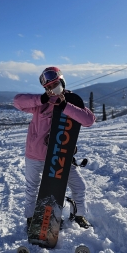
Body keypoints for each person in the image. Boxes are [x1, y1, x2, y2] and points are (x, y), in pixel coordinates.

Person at [13, 66, 95, 230]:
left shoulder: (72, 101)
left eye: (54, 85)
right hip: (35, 155)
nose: (51, 90)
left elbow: (88, 120)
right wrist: (41, 99)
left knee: (79, 186)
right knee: (32, 188)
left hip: (60, 155)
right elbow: (17, 102)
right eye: (47, 87)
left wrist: (65, 106)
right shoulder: (41, 103)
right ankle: (31, 219)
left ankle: (79, 216)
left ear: (61, 81)